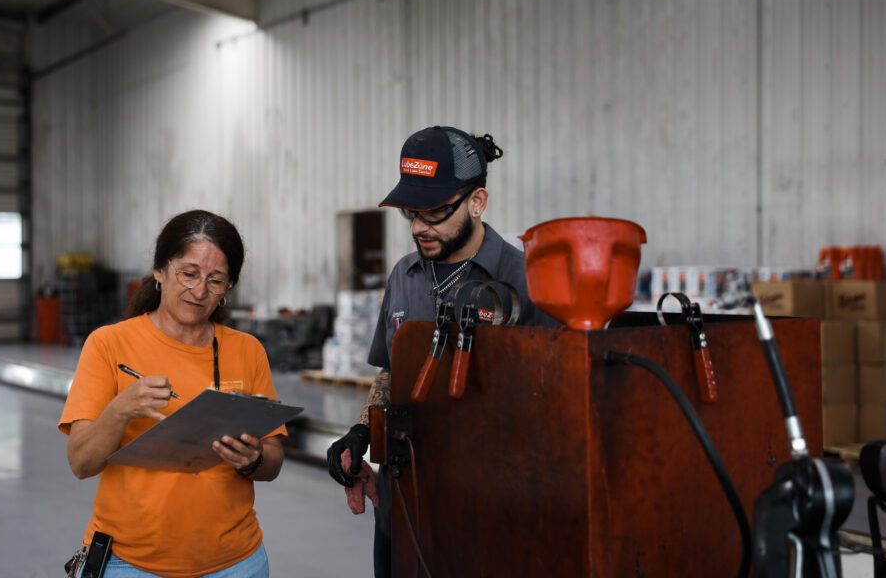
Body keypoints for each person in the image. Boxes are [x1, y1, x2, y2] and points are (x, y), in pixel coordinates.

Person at [325, 126, 558, 577]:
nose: (417, 228)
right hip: (405, 508)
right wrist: (359, 434)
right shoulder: (405, 275)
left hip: (490, 519)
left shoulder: (527, 280)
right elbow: (393, 373)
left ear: (477, 202)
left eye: (434, 213)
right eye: (410, 213)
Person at [59, 210, 286, 578]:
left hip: (236, 564)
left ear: (228, 288)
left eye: (216, 280)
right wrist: (120, 410)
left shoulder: (247, 351)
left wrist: (253, 459)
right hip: (130, 564)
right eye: (189, 273)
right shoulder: (108, 345)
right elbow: (81, 464)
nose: (199, 292)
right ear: (160, 272)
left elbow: (273, 461)